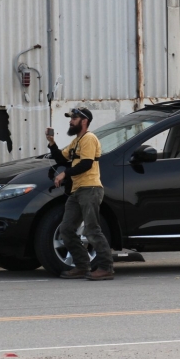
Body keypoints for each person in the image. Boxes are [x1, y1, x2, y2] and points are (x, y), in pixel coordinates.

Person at [46, 106, 114, 280]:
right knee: (66, 229)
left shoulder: (89, 138)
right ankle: (82, 266)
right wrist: (52, 142)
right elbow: (61, 158)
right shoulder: (77, 141)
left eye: (74, 118)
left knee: (92, 229)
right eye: (71, 118)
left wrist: (65, 174)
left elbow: (86, 164)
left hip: (90, 189)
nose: (71, 121)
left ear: (84, 121)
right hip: (77, 191)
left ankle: (106, 268)